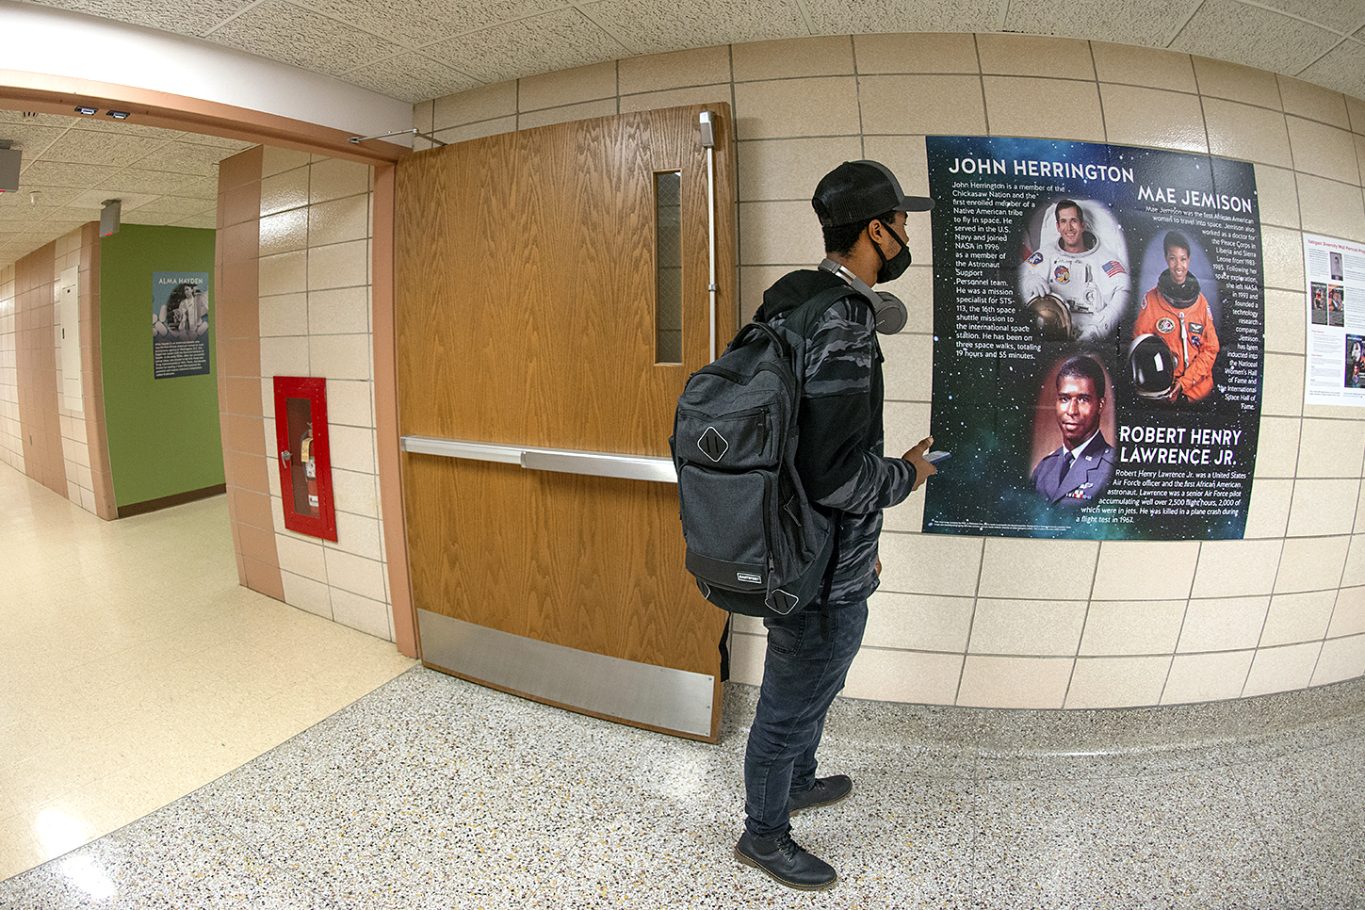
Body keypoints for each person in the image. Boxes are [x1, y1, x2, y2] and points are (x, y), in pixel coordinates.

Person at [736, 160, 937, 891]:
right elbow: (839, 475)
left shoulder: (788, 299)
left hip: (796, 540)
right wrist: (910, 473)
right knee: (794, 698)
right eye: (900, 222)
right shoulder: (842, 317)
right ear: (874, 230)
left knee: (812, 682)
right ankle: (763, 835)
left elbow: (802, 445)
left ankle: (797, 780)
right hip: (813, 561)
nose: (907, 234)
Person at [1019, 199, 1129, 342]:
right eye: (1063, 221)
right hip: (1050, 336)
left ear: (1082, 225)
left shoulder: (1105, 260)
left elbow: (1124, 290)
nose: (1069, 227)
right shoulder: (1045, 254)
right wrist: (1029, 281)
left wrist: (1098, 328)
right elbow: (1019, 277)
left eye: (1073, 221)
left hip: (1090, 335)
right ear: (1058, 227)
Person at [1132, 230, 1220, 402]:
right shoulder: (1152, 300)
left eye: (1183, 259)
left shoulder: (1201, 303)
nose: (1178, 266)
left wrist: (1185, 382)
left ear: (1189, 260)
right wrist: (1161, 383)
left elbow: (1211, 349)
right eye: (1173, 258)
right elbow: (1141, 346)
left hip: (1199, 391)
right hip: (1166, 392)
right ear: (1166, 259)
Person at [1032, 355, 1115, 506]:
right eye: (1064, 399)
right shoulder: (1043, 468)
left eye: (1083, 399)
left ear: (1100, 405)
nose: (1071, 411)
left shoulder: (1112, 468)